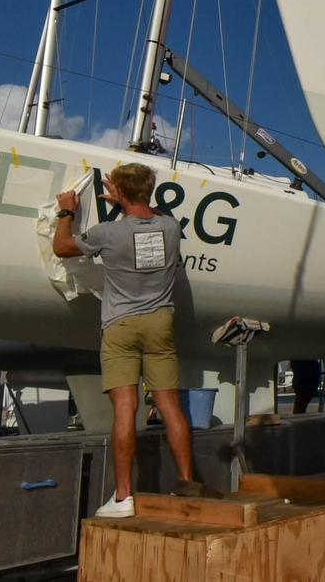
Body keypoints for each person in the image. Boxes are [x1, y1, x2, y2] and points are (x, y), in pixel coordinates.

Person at [53, 162, 198, 518]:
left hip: (120, 325)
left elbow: (61, 248)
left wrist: (67, 210)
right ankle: (186, 484)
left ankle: (123, 497)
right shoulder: (171, 227)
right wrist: (127, 195)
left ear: (119, 194)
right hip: (160, 323)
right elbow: (152, 212)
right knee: (170, 407)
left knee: (125, 409)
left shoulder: (108, 233)